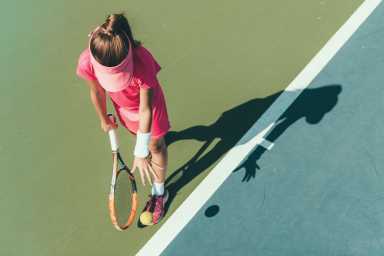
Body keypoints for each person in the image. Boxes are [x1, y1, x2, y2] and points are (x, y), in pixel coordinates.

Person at [75, 13, 170, 224]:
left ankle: (160, 192)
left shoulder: (142, 61)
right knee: (144, 141)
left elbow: (146, 109)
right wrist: (103, 118)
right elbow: (98, 91)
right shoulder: (87, 62)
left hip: (149, 108)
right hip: (124, 110)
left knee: (155, 146)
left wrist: (140, 149)